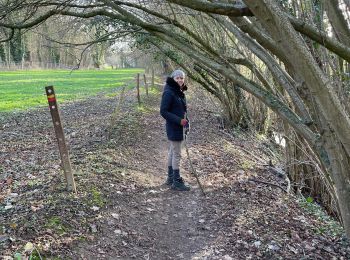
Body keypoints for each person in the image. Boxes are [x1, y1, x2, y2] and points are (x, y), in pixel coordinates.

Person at [160, 69, 190, 191]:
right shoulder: (169, 92)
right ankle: (176, 181)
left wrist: (186, 123)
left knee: (173, 151)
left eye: (181, 78)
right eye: (177, 78)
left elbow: (182, 111)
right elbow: (163, 111)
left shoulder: (178, 91)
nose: (180, 80)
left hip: (179, 127)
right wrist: (179, 121)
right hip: (174, 127)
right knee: (176, 154)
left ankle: (171, 178)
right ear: (173, 78)